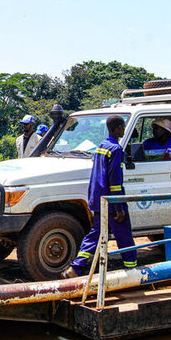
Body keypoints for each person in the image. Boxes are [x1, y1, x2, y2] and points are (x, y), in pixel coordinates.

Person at [64, 115, 137, 277]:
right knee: (124, 234)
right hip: (111, 200)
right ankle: (131, 270)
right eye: (122, 127)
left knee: (96, 234)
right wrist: (118, 206)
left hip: (98, 199)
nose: (124, 130)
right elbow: (115, 180)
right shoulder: (116, 149)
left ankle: (75, 267)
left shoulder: (101, 147)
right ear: (117, 128)